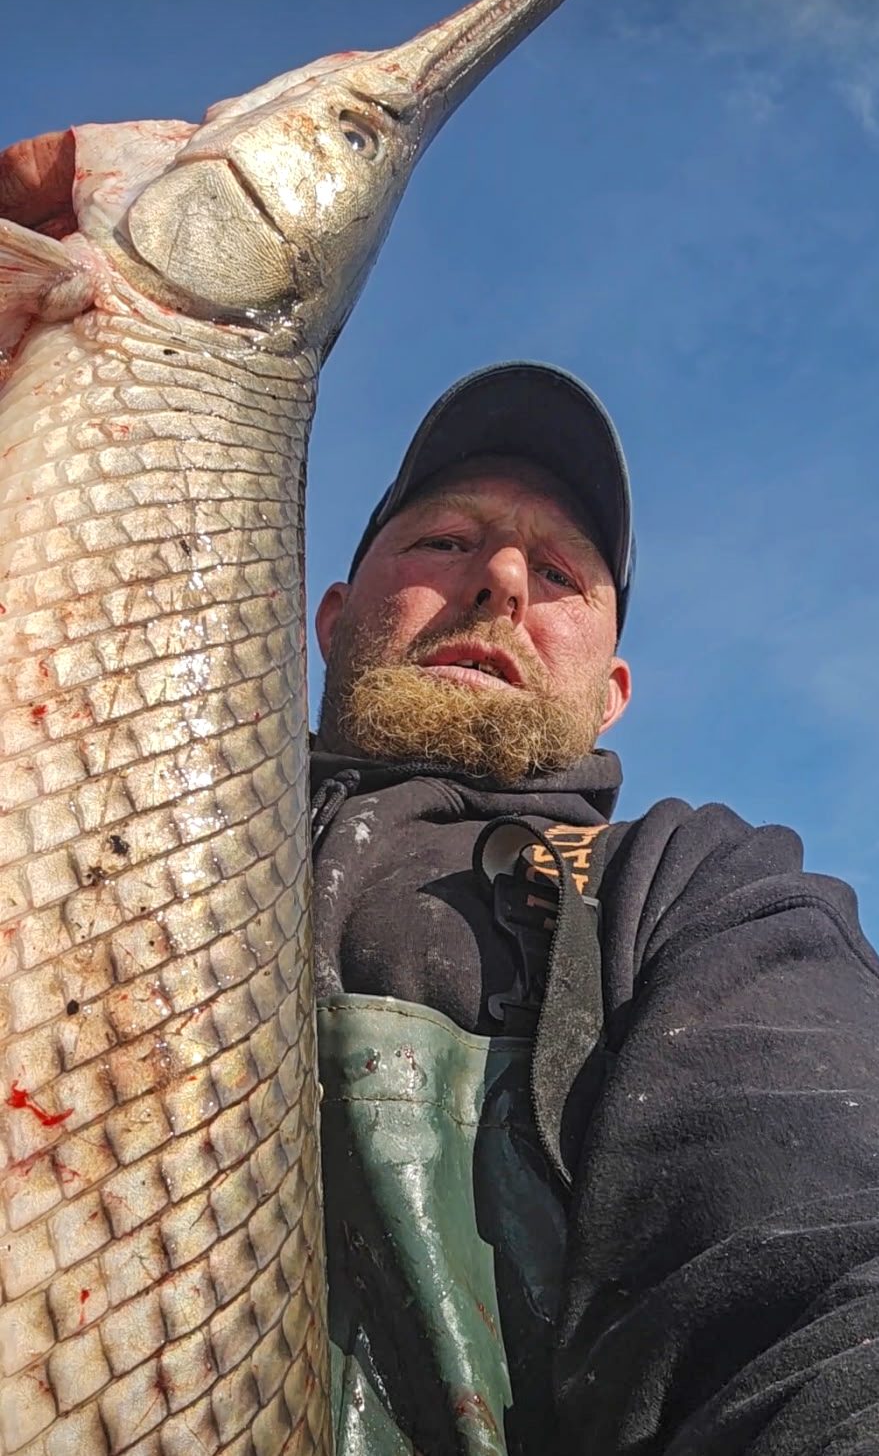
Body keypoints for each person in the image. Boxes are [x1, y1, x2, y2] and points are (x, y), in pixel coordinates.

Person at [309, 362, 879, 1456]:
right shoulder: (109, 824)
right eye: (443, 542)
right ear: (335, 619)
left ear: (609, 691)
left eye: (562, 573)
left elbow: (827, 1291)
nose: (501, 581)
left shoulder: (692, 892)